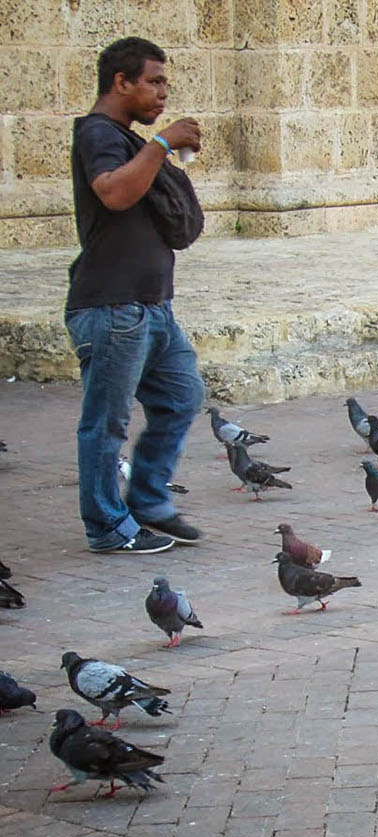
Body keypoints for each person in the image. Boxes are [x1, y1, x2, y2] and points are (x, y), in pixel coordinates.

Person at [66, 37, 203, 554]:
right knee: (106, 423)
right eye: (154, 82)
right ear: (120, 83)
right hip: (111, 306)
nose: (163, 93)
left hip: (151, 306)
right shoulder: (99, 133)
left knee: (181, 396)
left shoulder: (126, 138)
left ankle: (146, 498)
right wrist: (162, 144)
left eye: (165, 83)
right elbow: (114, 192)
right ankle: (106, 525)